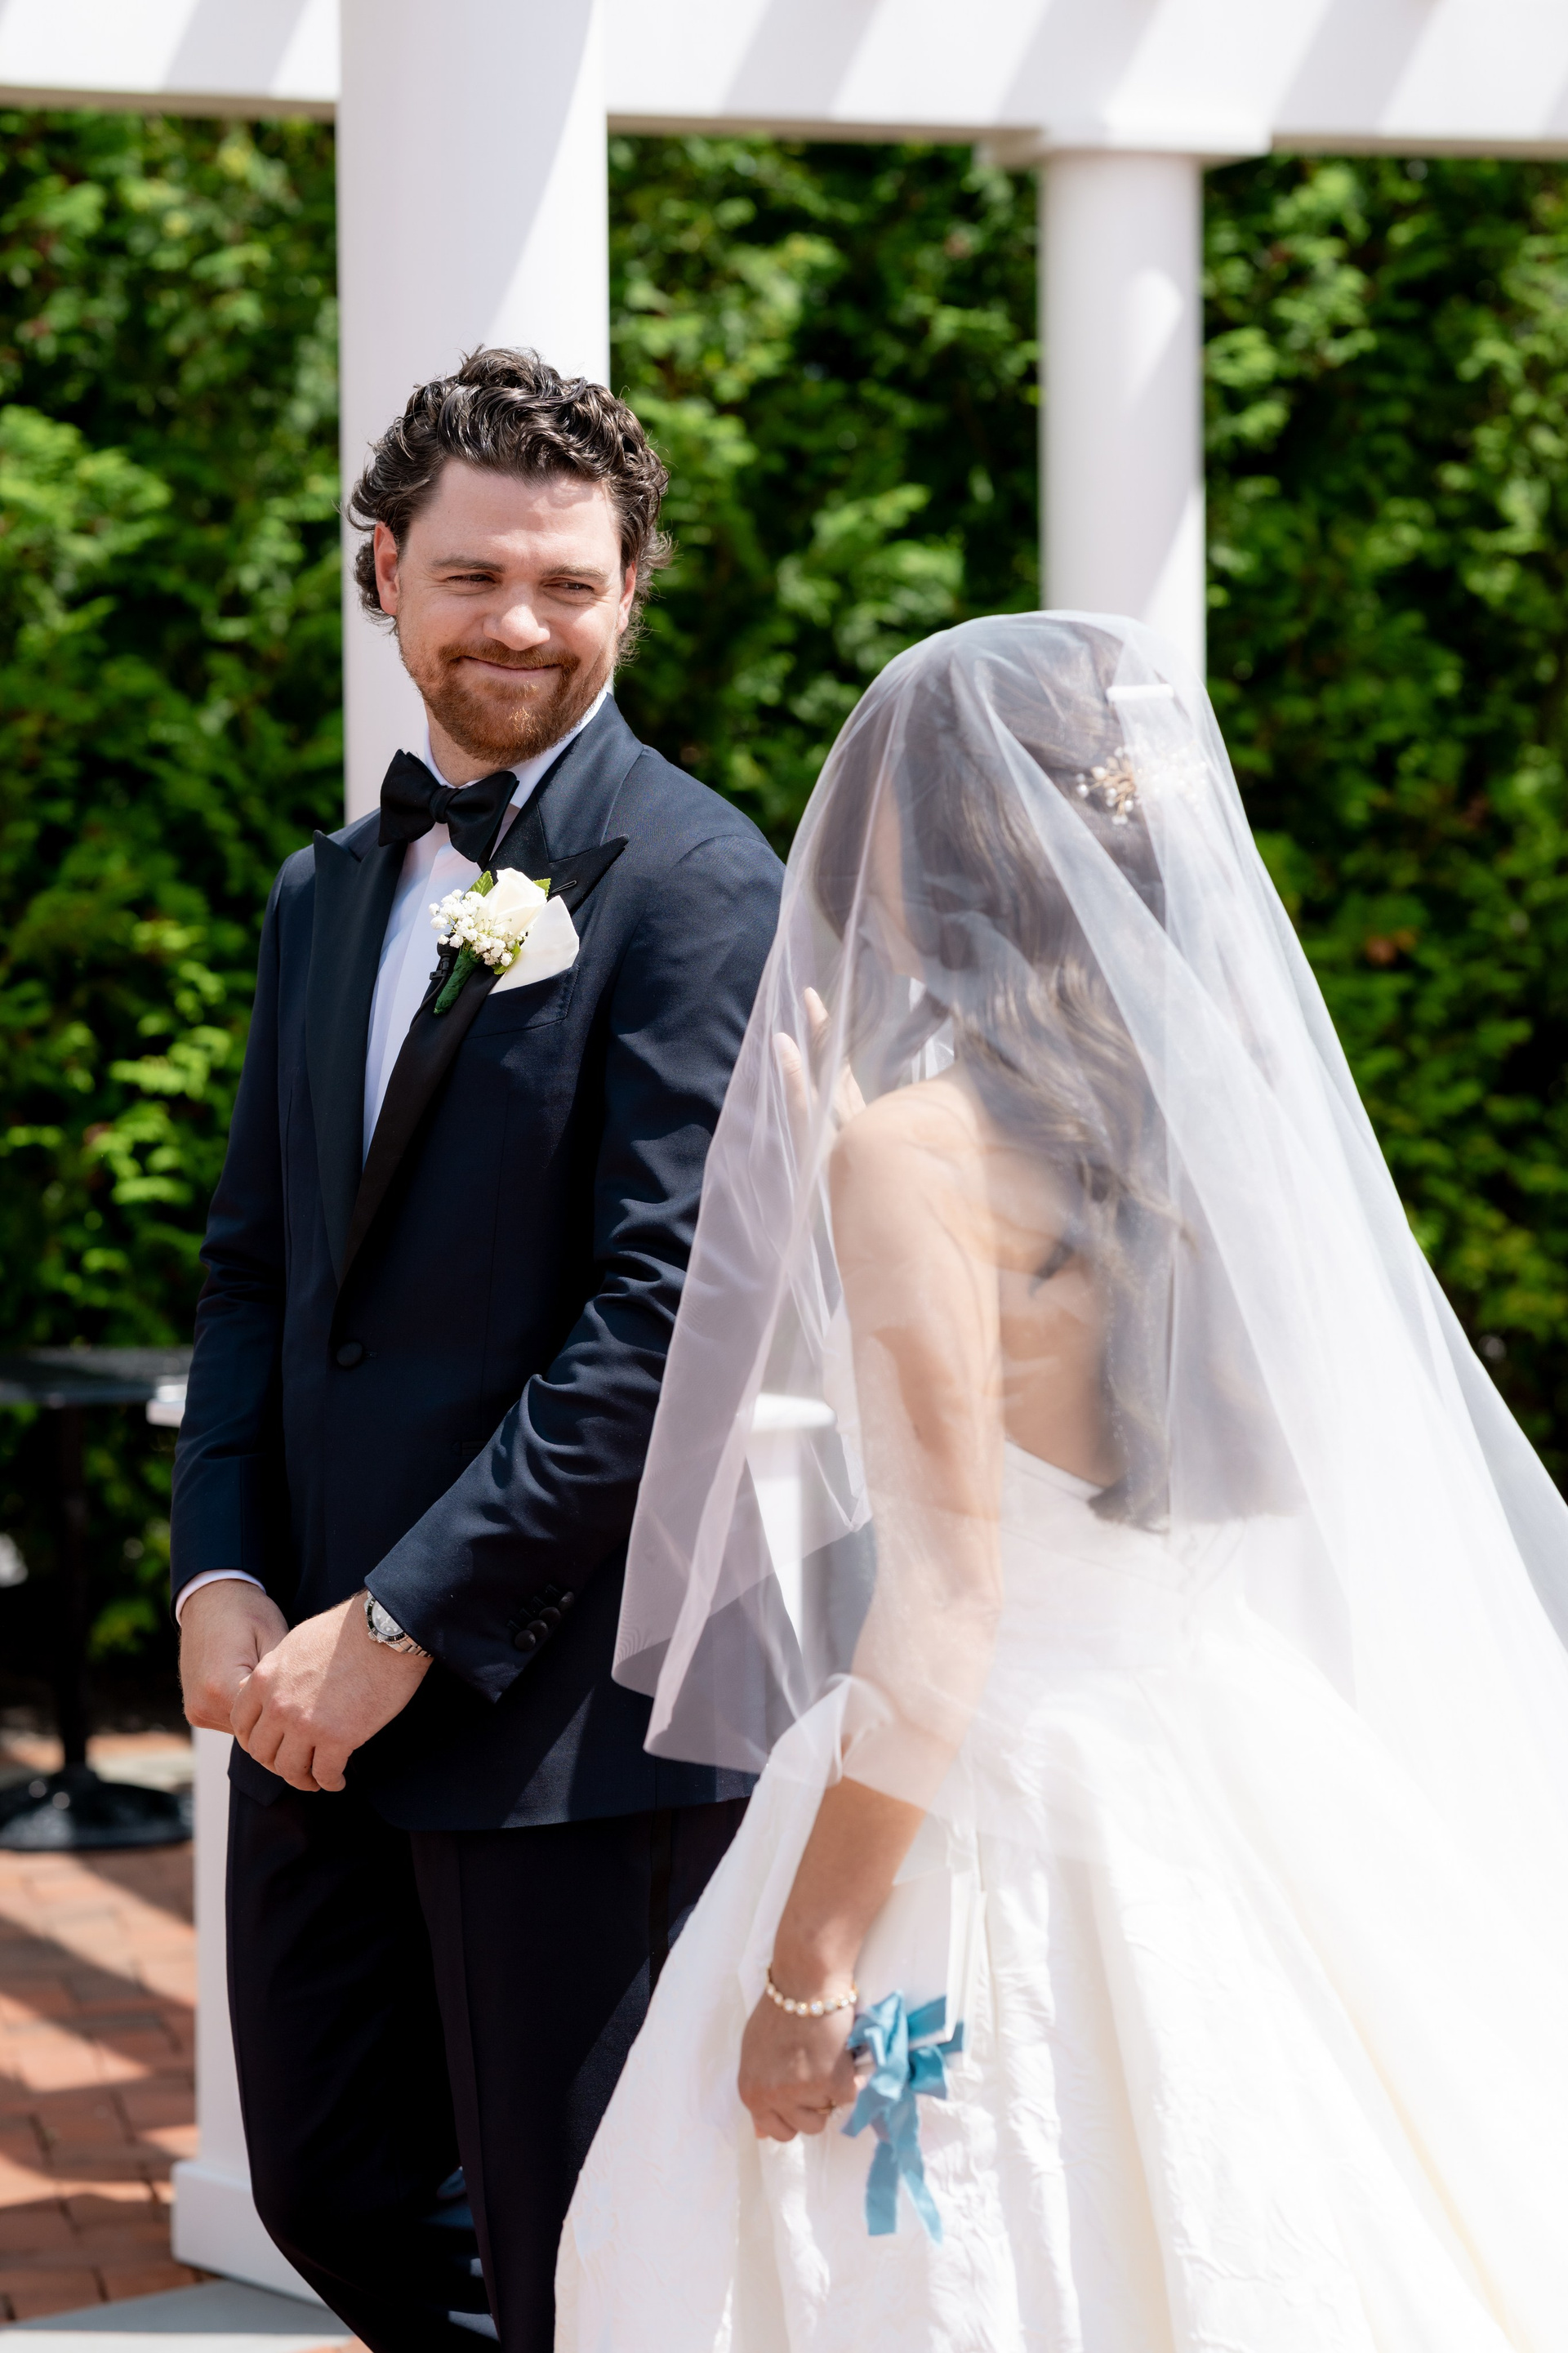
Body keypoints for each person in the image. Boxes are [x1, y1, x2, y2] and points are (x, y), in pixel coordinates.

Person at [557, 613, 1568, 2351]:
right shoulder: (1200, 1118)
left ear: (934, 851)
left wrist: (809, 1969)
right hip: (1218, 1737)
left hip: (999, 1783)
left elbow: (948, 1606)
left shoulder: (915, 1151)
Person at [169, 348, 782, 2352]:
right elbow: (257, 1268)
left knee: (575, 2250)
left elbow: (671, 1312)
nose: (522, 621)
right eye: (475, 575)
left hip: (561, 1713)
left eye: (570, 583)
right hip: (312, 1695)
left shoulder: (701, 882)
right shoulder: (323, 892)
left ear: (632, 593)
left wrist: (411, 1615)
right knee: (332, 2188)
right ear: (384, 571)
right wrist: (219, 1564)